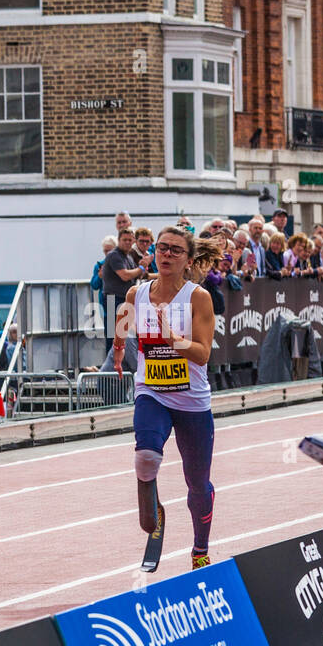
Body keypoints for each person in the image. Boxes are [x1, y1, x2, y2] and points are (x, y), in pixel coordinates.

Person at [114, 226, 220, 572]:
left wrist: (174, 340)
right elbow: (122, 318)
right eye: (162, 248)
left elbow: (203, 354)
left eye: (176, 250)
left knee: (198, 486)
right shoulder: (137, 294)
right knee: (145, 455)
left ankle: (200, 548)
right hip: (152, 391)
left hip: (191, 401)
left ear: (189, 260)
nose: (167, 254)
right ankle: (152, 506)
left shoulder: (197, 298)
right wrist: (117, 349)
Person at [101, 227, 146, 358]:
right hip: (112, 300)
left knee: (126, 335)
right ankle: (110, 373)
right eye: (124, 240)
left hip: (123, 300)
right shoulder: (114, 255)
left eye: (129, 240)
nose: (127, 242)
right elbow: (125, 275)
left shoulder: (128, 257)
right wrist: (141, 268)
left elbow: (138, 275)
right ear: (119, 240)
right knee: (112, 336)